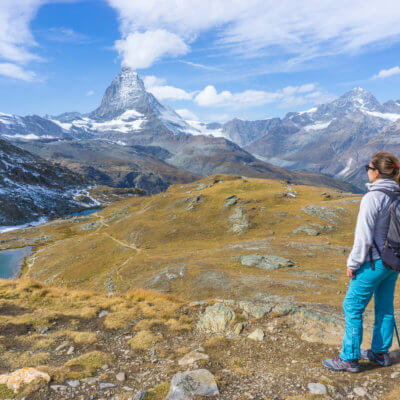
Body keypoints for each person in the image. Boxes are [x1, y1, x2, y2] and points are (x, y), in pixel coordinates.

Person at [323, 152, 400, 373]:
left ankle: (349, 358)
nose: (366, 170)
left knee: (352, 306)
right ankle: (380, 352)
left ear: (376, 171)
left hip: (373, 263)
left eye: (368, 167)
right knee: (384, 307)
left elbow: (364, 237)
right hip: (392, 262)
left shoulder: (373, 198)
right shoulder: (397, 194)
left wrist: (353, 263)